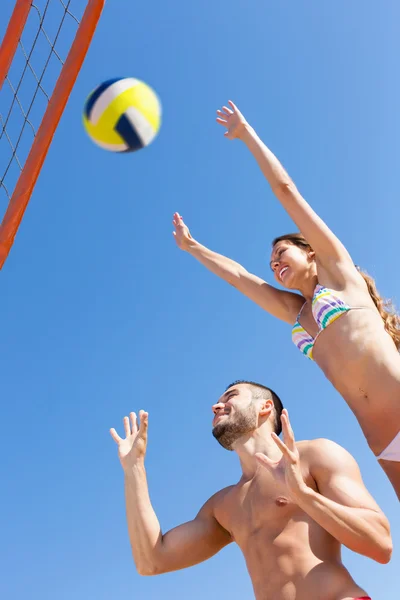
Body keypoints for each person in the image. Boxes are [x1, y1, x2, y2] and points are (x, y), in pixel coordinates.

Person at [172, 101, 400, 499]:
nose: (275, 263)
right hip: (381, 438)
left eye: (282, 253)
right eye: (271, 261)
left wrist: (246, 135)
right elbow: (241, 278)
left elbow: (286, 190)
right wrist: (194, 248)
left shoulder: (338, 274)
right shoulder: (297, 313)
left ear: (310, 251)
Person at [110, 380, 392, 600]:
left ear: (265, 407)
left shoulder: (315, 455)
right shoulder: (224, 506)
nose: (216, 406)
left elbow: (380, 544)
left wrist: (305, 496)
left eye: (230, 396)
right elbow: (152, 561)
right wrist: (134, 468)